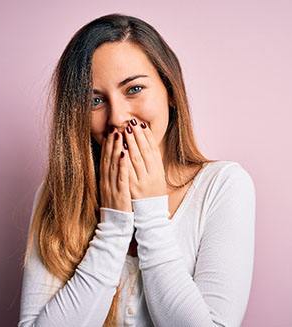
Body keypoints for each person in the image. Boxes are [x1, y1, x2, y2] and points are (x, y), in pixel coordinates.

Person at [18, 13, 256, 327]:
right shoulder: (59, 193)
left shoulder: (224, 186)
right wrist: (114, 226)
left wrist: (151, 215)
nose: (117, 117)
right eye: (95, 100)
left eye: (133, 90)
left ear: (169, 90)